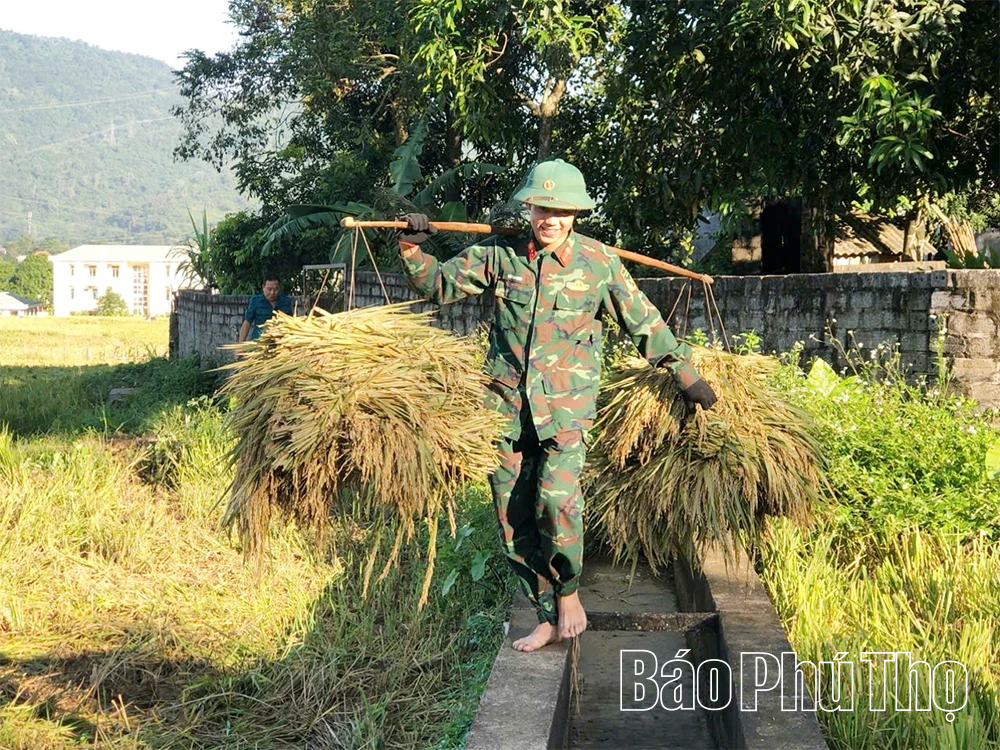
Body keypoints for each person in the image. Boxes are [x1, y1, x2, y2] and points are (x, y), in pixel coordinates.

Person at [398, 159, 716, 652]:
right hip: (503, 409)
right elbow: (437, 285)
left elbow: (643, 321)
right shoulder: (500, 255)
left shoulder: (598, 262)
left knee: (556, 501)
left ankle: (569, 593)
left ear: (576, 213)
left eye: (562, 210)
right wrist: (412, 247)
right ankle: (545, 613)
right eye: (543, 207)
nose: (552, 218)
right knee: (512, 517)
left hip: (566, 412)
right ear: (529, 207)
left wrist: (684, 374)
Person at [238, 276, 294, 342]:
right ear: (263, 287)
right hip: (259, 342)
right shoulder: (256, 301)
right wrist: (240, 345)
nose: (272, 292)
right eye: (269, 289)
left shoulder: (286, 301)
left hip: (281, 343)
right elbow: (247, 323)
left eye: (276, 289)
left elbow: (291, 323)